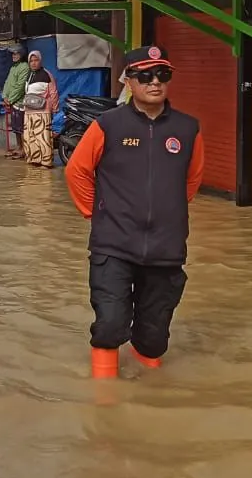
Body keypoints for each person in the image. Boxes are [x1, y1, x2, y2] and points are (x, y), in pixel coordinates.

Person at [64, 45, 204, 378]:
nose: (155, 82)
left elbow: (192, 180)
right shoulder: (108, 125)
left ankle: (149, 402)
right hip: (113, 244)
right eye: (145, 76)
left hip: (165, 248)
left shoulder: (188, 129)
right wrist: (95, 214)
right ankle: (105, 405)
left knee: (154, 338)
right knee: (110, 325)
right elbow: (77, 172)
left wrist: (166, 213)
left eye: (162, 75)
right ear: (128, 80)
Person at [21, 50, 58, 168]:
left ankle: (46, 162)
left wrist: (55, 108)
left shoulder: (46, 74)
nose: (33, 63)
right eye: (31, 61)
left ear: (40, 61)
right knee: (30, 136)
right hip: (29, 111)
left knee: (42, 136)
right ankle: (34, 159)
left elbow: (53, 92)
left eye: (36, 60)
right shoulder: (29, 75)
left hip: (43, 111)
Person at [2, 46, 29, 160]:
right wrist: (4, 96)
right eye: (13, 54)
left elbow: (20, 86)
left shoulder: (24, 67)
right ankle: (19, 147)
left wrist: (11, 99)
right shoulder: (14, 67)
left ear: (22, 55)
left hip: (19, 102)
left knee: (21, 127)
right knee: (16, 128)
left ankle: (23, 149)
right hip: (12, 102)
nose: (14, 56)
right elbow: (7, 82)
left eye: (16, 54)